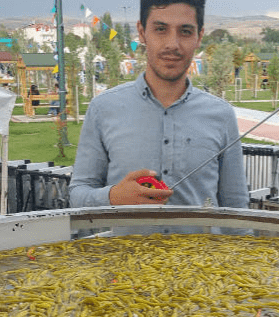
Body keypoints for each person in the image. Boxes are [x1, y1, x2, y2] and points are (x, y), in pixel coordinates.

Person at [68, 0, 248, 209]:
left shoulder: (221, 114)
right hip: (125, 243)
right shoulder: (103, 108)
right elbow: (77, 194)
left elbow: (236, 206)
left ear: (199, 37)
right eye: (161, 29)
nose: (173, 43)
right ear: (142, 32)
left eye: (186, 31)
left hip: (202, 243)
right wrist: (112, 197)